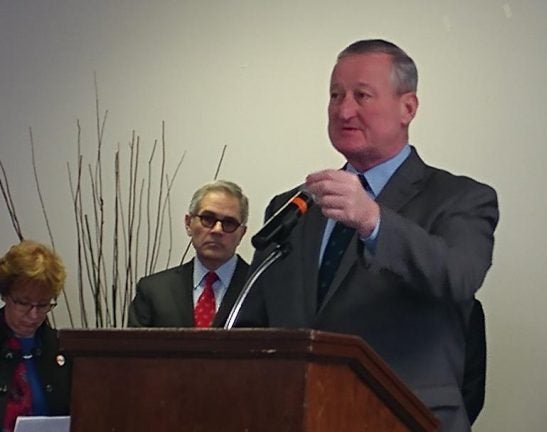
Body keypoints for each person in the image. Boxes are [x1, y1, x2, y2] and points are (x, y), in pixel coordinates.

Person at [236, 39, 499, 431]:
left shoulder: (462, 198)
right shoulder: (293, 207)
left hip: (404, 419)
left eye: (362, 95)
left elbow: (458, 276)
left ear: (408, 107)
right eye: (335, 95)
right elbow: (249, 323)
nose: (344, 110)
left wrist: (374, 221)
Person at [128, 179, 250, 327]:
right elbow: (135, 348)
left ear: (242, 233)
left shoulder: (261, 290)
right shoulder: (154, 291)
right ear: (188, 224)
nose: (217, 230)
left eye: (229, 223)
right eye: (208, 219)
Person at [0, 240, 71, 431]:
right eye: (23, 303)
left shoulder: (62, 349)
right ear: (5, 295)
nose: (33, 315)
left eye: (42, 305)